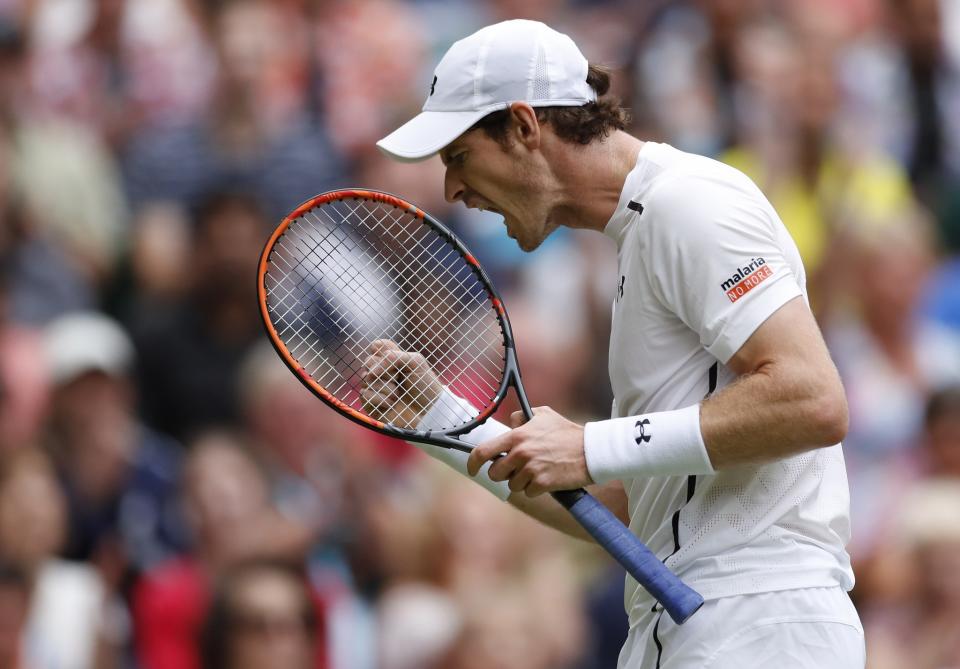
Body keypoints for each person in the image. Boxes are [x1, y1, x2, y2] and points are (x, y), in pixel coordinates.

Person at [368, 19, 863, 668]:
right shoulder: (639, 233)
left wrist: (590, 444)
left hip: (758, 624)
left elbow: (813, 401)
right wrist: (442, 421)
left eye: (459, 156)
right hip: (702, 626)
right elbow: (623, 507)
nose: (452, 190)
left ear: (523, 126)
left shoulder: (689, 203)